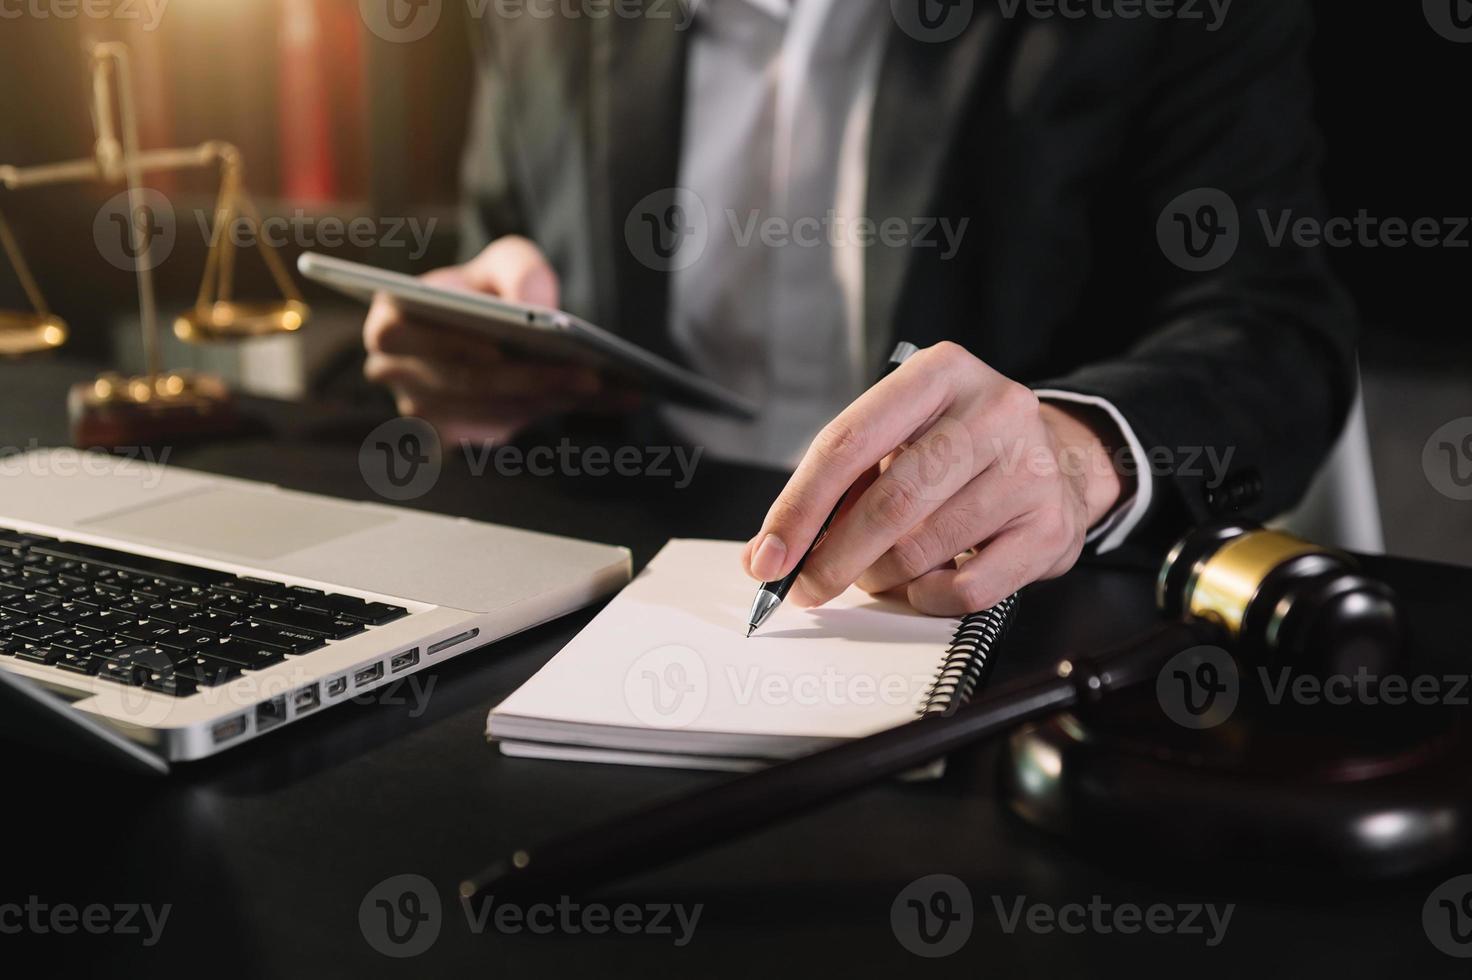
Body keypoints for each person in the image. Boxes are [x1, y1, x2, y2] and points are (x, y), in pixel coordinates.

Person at [363, 0, 1355, 616]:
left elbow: (1273, 330)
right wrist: (470, 334)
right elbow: (501, 240)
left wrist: (1067, 452)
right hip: (611, 560)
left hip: (1003, 606)